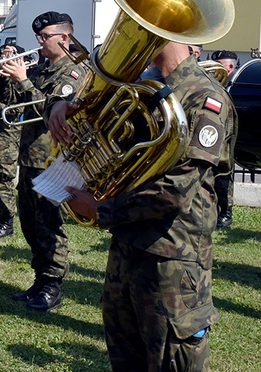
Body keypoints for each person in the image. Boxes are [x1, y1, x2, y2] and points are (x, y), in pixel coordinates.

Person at [49, 41, 235, 371]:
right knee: (125, 356)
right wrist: (66, 108)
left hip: (171, 258)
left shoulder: (205, 98)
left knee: (172, 361)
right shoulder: (143, 89)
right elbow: (109, 141)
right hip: (127, 246)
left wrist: (102, 210)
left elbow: (176, 190)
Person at [0, 11, 86, 312]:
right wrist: (8, 76)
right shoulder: (42, 69)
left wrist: (23, 80)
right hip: (30, 155)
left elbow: (52, 111)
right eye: (38, 36)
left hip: (53, 158)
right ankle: (39, 278)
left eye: (44, 36)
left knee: (50, 223)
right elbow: (16, 103)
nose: (39, 41)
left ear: (64, 38)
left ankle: (53, 284)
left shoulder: (73, 73)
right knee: (30, 222)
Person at [0, 39, 25, 239]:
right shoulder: (2, 75)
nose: (6, 56)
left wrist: (16, 75)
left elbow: (13, 100)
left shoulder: (23, 77)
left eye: (11, 53)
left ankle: (7, 219)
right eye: (4, 52)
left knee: (5, 175)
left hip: (10, 132)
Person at [210, 49, 239, 228]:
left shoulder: (236, 85)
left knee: (224, 175)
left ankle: (226, 213)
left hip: (228, 136)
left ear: (229, 67)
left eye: (218, 67)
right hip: (215, 132)